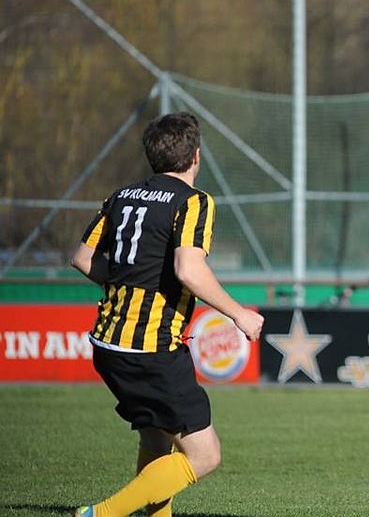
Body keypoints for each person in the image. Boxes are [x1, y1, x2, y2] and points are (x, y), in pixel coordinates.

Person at [70, 112, 264, 517]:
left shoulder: (121, 196)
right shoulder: (193, 201)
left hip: (108, 344)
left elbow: (83, 258)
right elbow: (188, 270)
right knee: (205, 456)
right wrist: (239, 314)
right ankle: (99, 515)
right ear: (196, 156)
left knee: (157, 441)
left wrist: (127, 282)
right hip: (151, 348)